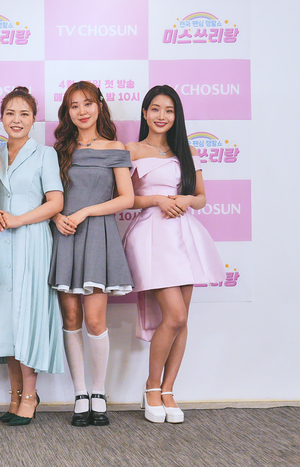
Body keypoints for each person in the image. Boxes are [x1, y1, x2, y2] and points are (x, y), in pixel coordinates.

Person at [122, 85, 225, 424]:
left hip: (184, 234)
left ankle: (168, 390)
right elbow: (124, 198)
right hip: (151, 235)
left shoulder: (186, 150)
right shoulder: (132, 149)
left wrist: (186, 199)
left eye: (168, 110)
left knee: (182, 320)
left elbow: (201, 197)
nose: (161, 116)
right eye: (155, 109)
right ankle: (151, 387)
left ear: (176, 115)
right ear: (144, 112)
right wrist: (156, 200)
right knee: (175, 316)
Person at [49, 81, 134, 427]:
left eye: (87, 103)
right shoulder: (58, 151)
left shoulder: (115, 148)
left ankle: (99, 392)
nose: (82, 111)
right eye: (74, 106)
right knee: (70, 319)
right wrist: (56, 216)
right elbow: (48, 196)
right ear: (67, 112)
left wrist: (85, 212)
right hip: (66, 237)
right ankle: (80, 393)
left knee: (95, 320)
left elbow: (127, 198)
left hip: (98, 235)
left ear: (99, 106)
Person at [0, 87, 65, 426]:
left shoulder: (45, 154)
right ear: (1, 118)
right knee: (5, 317)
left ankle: (30, 396)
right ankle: (14, 395)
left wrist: (19, 219)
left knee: (28, 315)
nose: (16, 120)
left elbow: (56, 202)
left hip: (32, 241)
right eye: (10, 113)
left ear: (34, 119)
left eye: (24, 114)